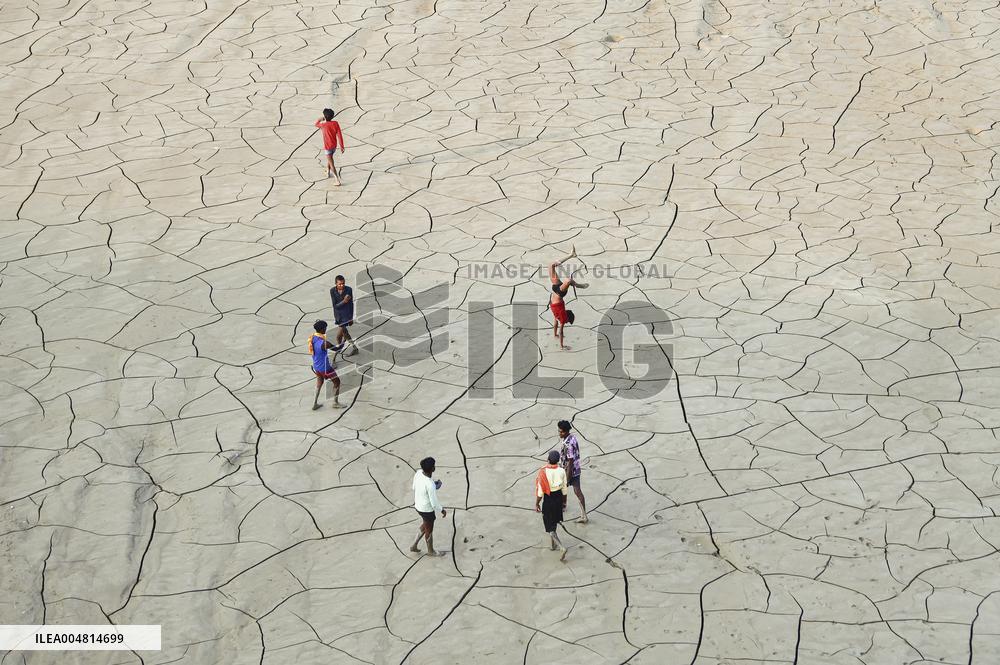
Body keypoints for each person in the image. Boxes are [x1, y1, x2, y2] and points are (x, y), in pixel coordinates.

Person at [548, 246, 587, 350]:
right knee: (552, 265)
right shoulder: (560, 316)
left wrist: (561, 344)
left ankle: (579, 286)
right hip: (559, 292)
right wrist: (555, 334)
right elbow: (556, 324)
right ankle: (571, 255)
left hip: (558, 291)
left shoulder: (562, 318)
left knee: (566, 279)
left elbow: (560, 329)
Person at [535, 450, 569, 561]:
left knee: (550, 527)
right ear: (558, 460)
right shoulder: (562, 471)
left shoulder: (543, 472)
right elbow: (564, 490)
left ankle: (561, 547)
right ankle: (553, 545)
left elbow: (540, 492)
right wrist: (564, 503)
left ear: (548, 460)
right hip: (558, 498)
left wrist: (537, 503)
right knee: (553, 523)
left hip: (548, 500)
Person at [411, 457, 447, 556]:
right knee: (429, 530)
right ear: (432, 469)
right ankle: (431, 551)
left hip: (418, 505)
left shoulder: (418, 473)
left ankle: (414, 545)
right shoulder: (430, 484)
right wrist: (442, 509)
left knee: (426, 524)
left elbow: (414, 487)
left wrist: (432, 487)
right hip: (427, 510)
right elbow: (434, 503)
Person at [308, 320, 344, 410]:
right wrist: (344, 341)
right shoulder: (324, 343)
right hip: (326, 369)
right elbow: (337, 349)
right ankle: (335, 403)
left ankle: (315, 403)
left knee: (319, 383)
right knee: (337, 382)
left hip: (316, 366)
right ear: (322, 329)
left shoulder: (312, 338)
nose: (326, 330)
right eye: (325, 328)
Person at [558, 419, 587, 523]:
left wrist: (567, 477)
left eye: (561, 431)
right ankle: (564, 506)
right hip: (575, 468)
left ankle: (583, 516)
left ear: (565, 432)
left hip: (570, 471)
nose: (559, 433)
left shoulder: (568, 444)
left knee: (574, 491)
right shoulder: (572, 437)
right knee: (575, 491)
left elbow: (570, 461)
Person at [315, 108, 346, 185]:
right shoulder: (335, 123)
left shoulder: (323, 125)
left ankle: (337, 180)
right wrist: (342, 146)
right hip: (334, 146)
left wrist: (320, 119)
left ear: (325, 117)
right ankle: (328, 172)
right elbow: (339, 135)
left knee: (332, 163)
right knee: (330, 159)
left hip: (327, 147)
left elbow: (316, 124)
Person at [330, 275, 358, 356]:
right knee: (345, 334)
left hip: (346, 316)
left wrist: (351, 318)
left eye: (343, 283)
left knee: (339, 336)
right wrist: (344, 301)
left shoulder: (349, 289)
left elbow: (351, 304)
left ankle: (340, 349)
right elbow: (335, 306)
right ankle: (354, 348)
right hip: (338, 316)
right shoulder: (332, 291)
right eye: (339, 284)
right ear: (336, 283)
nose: (342, 285)